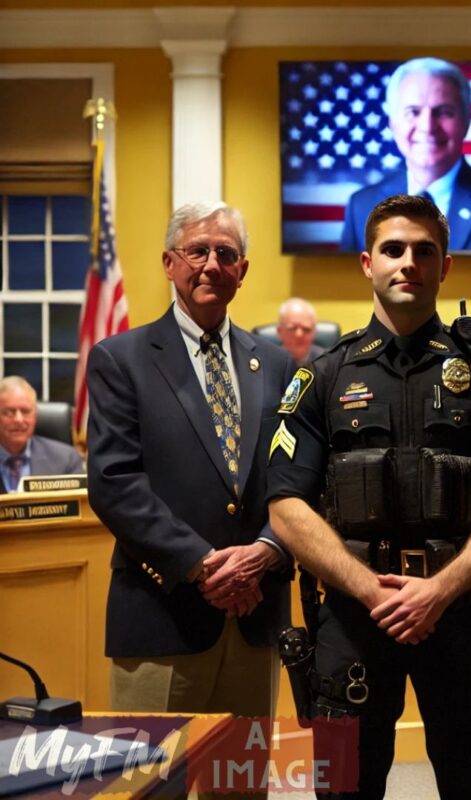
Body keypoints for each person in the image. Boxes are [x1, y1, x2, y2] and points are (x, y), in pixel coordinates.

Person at [268, 194, 471, 799]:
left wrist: (439, 590)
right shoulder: (322, 377)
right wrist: (371, 591)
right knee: (345, 790)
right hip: (353, 620)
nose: (408, 263)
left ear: (445, 266)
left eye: (425, 251)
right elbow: (286, 505)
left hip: (460, 614)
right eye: (393, 250)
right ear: (368, 263)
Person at [86, 202, 295, 720]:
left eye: (226, 253)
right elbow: (115, 482)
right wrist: (204, 566)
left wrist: (264, 553)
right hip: (162, 616)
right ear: (169, 262)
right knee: (154, 769)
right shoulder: (120, 359)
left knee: (244, 770)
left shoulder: (276, 364)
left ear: (243, 270)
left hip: (255, 617)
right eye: (197, 251)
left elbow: (296, 478)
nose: (212, 265)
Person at [340, 58, 471, 253]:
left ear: (466, 122)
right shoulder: (361, 207)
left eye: (444, 112)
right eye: (413, 112)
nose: (427, 127)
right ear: (392, 124)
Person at [0, 376, 83, 493]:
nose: (18, 419)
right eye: (9, 412)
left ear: (35, 415)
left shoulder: (66, 460)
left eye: (26, 411)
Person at [277, 297, 323, 365]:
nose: (299, 334)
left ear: (314, 332)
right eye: (292, 328)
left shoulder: (328, 362)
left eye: (306, 329)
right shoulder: (266, 362)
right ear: (280, 331)